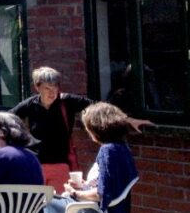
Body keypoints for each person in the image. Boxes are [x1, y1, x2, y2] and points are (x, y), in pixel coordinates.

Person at [11, 66, 150, 194]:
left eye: (55, 87)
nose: (52, 92)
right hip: (35, 164)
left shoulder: (67, 101)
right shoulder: (30, 104)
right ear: (37, 87)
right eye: (47, 88)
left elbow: (101, 110)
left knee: (58, 206)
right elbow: (7, 118)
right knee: (36, 207)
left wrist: (128, 120)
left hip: (60, 164)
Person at [45, 102, 139, 213]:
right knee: (45, 202)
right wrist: (84, 186)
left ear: (96, 128)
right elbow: (108, 185)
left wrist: (76, 193)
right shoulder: (122, 148)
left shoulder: (108, 151)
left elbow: (104, 193)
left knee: (39, 205)